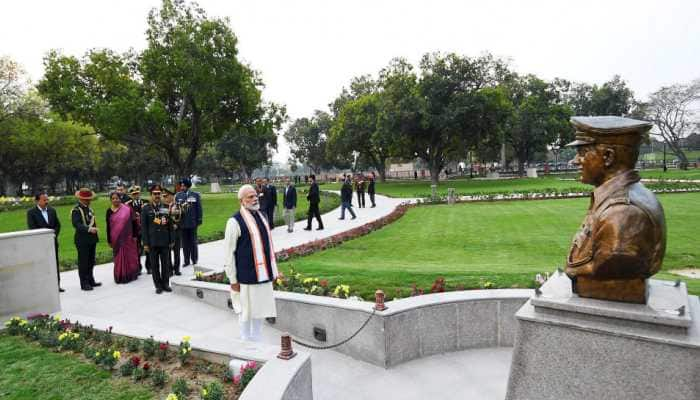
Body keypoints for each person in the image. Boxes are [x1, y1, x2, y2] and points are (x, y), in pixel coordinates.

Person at [565, 116, 666, 303]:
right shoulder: (619, 198)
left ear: (608, 157)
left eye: (583, 152)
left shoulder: (622, 213)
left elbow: (614, 259)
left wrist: (574, 270)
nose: (575, 161)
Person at [223, 184, 278, 342]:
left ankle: (257, 339)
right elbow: (228, 254)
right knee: (246, 314)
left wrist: (274, 271)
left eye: (255, 195)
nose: (255, 199)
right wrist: (233, 280)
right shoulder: (234, 222)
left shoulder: (262, 216)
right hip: (246, 277)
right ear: (241, 201)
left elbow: (267, 246)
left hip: (263, 275)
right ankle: (245, 342)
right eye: (250, 197)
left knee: (260, 311)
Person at [27, 192, 64, 292]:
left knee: (54, 264)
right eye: (44, 200)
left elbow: (58, 225)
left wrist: (53, 235)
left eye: (47, 199)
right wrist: (45, 237)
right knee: (42, 265)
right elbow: (32, 228)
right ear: (37, 201)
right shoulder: (31, 213)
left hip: (53, 242)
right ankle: (45, 287)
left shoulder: (52, 210)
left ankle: (57, 285)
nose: (46, 202)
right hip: (40, 244)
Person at [141, 184, 174, 294]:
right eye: (155, 194)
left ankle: (165, 284)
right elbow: (144, 228)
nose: (157, 195)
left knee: (165, 264)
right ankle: (158, 286)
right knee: (155, 266)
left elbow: (170, 225)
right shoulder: (146, 209)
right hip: (152, 242)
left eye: (159, 193)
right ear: (151, 195)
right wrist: (145, 243)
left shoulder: (165, 207)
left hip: (164, 241)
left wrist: (172, 240)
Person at [106, 192, 139, 284]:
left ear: (120, 199)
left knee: (130, 256)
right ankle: (120, 275)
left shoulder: (127, 209)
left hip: (128, 238)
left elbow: (134, 223)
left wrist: (135, 235)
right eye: (113, 198)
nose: (115, 200)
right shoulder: (109, 211)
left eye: (117, 198)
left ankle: (131, 275)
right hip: (116, 239)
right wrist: (109, 240)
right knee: (118, 258)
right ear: (111, 200)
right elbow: (108, 227)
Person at [71, 188, 101, 291]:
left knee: (91, 261)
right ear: (81, 199)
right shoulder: (76, 210)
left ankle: (91, 279)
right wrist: (89, 229)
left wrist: (95, 231)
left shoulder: (90, 209)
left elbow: (92, 221)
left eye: (90, 199)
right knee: (83, 262)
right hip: (82, 240)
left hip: (91, 239)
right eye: (87, 199)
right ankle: (84, 283)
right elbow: (76, 224)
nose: (89, 201)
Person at [175, 178, 202, 267]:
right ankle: (186, 260)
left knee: (193, 242)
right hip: (182, 223)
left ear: (187, 186)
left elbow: (199, 208)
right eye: (181, 185)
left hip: (192, 222)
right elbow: (176, 210)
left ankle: (194, 259)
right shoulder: (178, 196)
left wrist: (199, 219)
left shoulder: (195, 195)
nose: (182, 187)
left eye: (183, 185)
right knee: (185, 243)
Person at [125, 185, 147, 274]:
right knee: (136, 250)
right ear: (131, 195)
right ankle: (138, 267)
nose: (135, 195)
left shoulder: (145, 203)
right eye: (133, 194)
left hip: (146, 230)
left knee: (148, 249)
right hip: (135, 231)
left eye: (137, 193)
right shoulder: (127, 205)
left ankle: (149, 267)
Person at [163, 187, 183, 276]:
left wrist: (177, 225)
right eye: (164, 196)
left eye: (166, 196)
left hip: (176, 231)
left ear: (171, 196)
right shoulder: (162, 207)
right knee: (167, 253)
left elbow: (182, 218)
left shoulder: (177, 205)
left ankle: (177, 269)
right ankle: (169, 269)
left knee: (177, 252)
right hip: (167, 232)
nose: (165, 198)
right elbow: (160, 219)